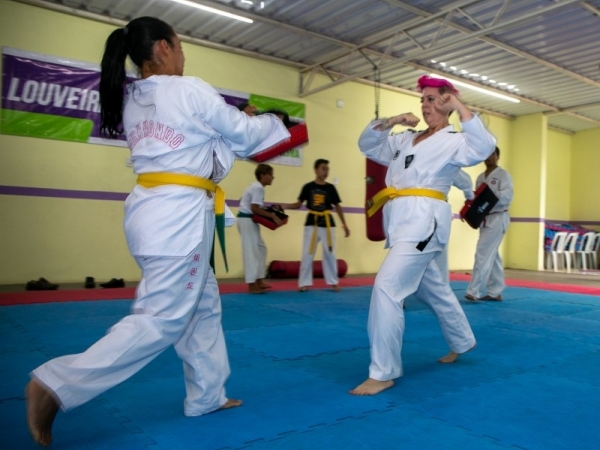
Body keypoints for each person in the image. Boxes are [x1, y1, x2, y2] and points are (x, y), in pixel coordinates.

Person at [25, 16, 289, 447]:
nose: (184, 55)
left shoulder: (135, 100)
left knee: (201, 307)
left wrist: (235, 123)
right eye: (180, 46)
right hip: (177, 218)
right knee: (162, 318)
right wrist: (273, 122)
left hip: (157, 212)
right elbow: (244, 138)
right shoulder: (188, 89)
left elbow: (208, 155)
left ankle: (206, 395)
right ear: (164, 48)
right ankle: (56, 383)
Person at [351, 75, 496, 396]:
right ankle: (462, 341)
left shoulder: (453, 141)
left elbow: (483, 146)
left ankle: (383, 371)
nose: (425, 105)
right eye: (423, 100)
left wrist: (459, 106)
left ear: (445, 102)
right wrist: (393, 121)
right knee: (432, 289)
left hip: (423, 224)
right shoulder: (405, 139)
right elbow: (368, 145)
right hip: (401, 222)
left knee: (387, 287)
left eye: (433, 99)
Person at [282, 159, 350, 292]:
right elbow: (298, 204)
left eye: (327, 169)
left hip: (328, 223)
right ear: (316, 169)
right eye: (323, 168)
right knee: (307, 252)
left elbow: (337, 206)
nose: (326, 171)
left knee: (330, 253)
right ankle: (303, 283)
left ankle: (333, 281)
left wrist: (344, 224)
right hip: (311, 223)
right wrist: (285, 206)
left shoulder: (330, 188)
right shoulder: (308, 187)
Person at [465, 147, 513, 301]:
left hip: (498, 217)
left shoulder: (503, 175)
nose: (489, 157)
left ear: (498, 156)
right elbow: (477, 201)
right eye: (486, 154)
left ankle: (474, 291)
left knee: (482, 253)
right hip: (485, 219)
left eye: (492, 154)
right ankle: (495, 291)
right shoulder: (480, 177)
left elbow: (507, 196)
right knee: (492, 256)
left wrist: (489, 197)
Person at [237, 163, 282, 294]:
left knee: (261, 249)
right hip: (246, 220)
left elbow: (249, 203)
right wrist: (272, 216)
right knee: (251, 252)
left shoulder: (256, 187)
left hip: (250, 220)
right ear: (263, 175)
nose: (273, 177)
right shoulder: (258, 188)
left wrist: (270, 210)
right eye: (271, 175)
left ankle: (259, 280)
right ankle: (251, 285)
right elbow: (254, 208)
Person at [433, 169, 475, 283]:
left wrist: (470, 197)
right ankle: (440, 291)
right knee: (438, 254)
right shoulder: (443, 159)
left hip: (412, 211)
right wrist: (470, 197)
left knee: (412, 254)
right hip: (436, 212)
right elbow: (464, 181)